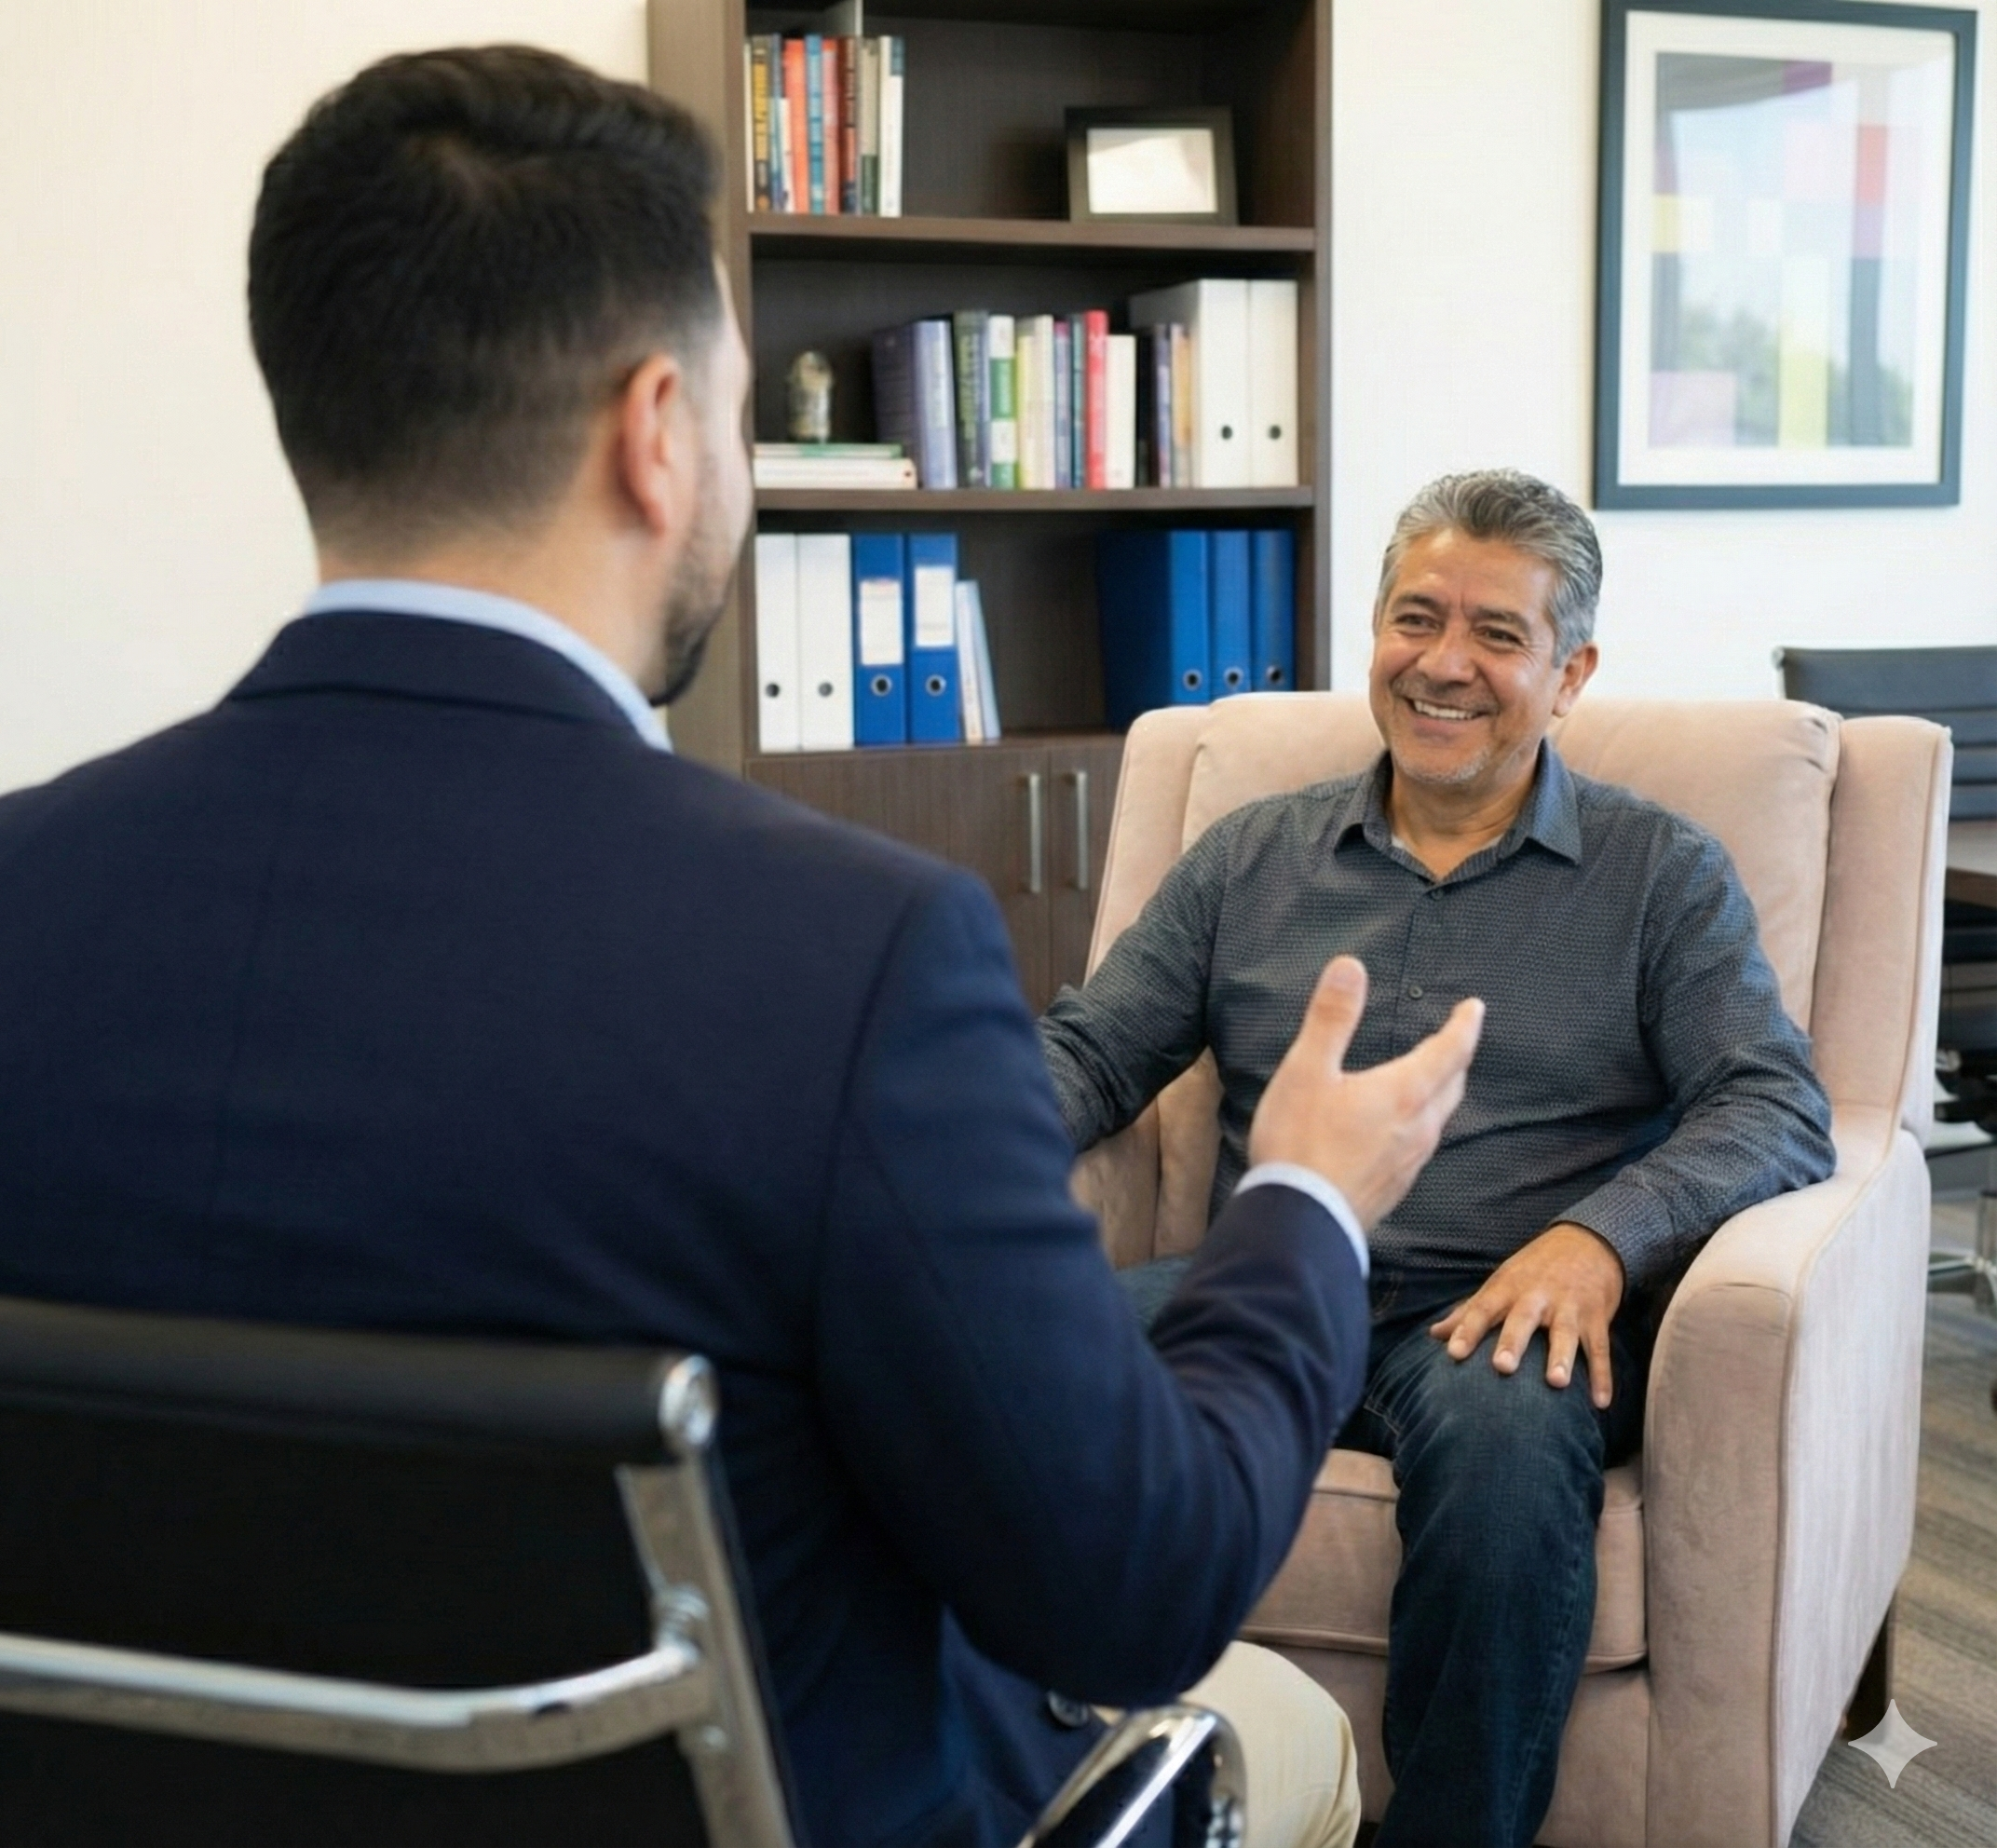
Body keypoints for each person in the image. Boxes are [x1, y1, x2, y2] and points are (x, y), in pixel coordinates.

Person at [0, 48, 1488, 1848]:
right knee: (1284, 1739)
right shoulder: (851, 962)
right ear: (655, 433)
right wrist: (1308, 1199)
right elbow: (1137, 1585)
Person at [1039, 469, 1839, 1848]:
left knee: (1508, 1460)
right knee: (999, 1354)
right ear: (1375, 632)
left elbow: (1774, 1102)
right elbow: (1095, 1052)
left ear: (1570, 674)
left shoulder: (1660, 875)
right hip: (1272, 1282)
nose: (1444, 664)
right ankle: (1014, 1779)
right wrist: (927, 1140)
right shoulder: (1251, 857)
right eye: (1417, 618)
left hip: (1497, 1318)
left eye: (1497, 634)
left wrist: (1600, 1240)